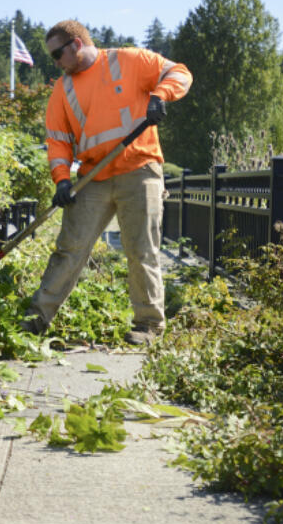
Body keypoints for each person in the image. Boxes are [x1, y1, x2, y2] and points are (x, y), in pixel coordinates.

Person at [23, 20, 193, 345]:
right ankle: (34, 322)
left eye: (58, 54)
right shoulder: (64, 89)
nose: (56, 62)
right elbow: (58, 141)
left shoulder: (127, 61)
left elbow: (180, 73)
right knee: (69, 250)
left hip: (140, 169)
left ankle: (149, 326)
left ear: (75, 45)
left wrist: (160, 95)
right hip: (92, 177)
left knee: (141, 249)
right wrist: (61, 181)